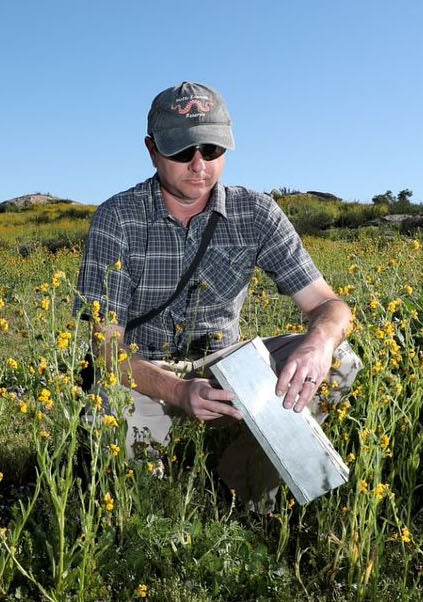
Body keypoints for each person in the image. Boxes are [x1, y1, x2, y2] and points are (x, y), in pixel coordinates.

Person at [75, 81, 361, 505]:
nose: (198, 165)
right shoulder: (118, 218)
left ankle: (236, 490)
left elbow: (328, 306)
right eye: (180, 151)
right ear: (152, 150)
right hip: (144, 372)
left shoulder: (257, 212)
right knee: (113, 431)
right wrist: (178, 391)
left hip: (226, 366)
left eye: (211, 150)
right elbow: (104, 351)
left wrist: (317, 343)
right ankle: (153, 510)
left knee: (338, 360)